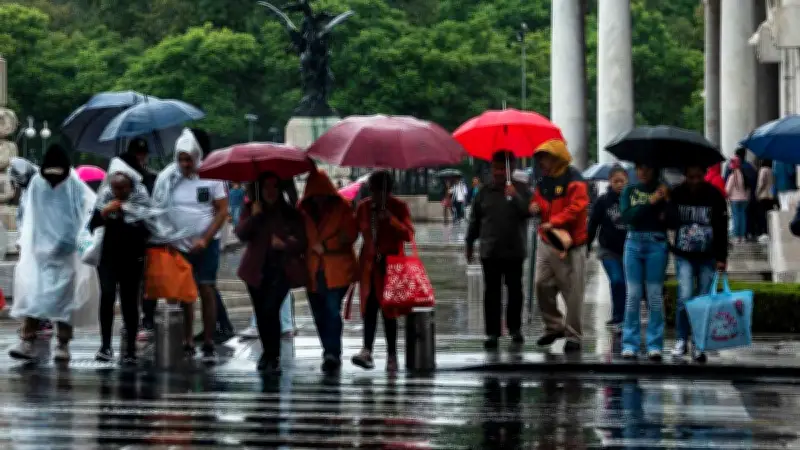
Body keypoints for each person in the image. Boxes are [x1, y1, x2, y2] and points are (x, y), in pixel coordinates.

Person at [9, 144, 94, 362]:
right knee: (35, 296)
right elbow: (29, 214)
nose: (53, 181)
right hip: (40, 251)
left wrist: (82, 241)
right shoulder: (37, 183)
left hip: (66, 253)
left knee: (65, 301)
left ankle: (63, 343)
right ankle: (27, 339)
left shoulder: (74, 184)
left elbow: (88, 211)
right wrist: (25, 241)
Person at [150, 128, 229, 362]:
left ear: (198, 157)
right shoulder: (167, 178)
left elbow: (222, 210)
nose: (185, 164)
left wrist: (205, 239)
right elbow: (158, 210)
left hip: (206, 244)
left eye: (189, 159)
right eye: (181, 159)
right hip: (177, 246)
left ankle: (207, 340)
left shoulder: (211, 176)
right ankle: (185, 340)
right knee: (182, 294)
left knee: (207, 289)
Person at [235, 171, 307, 373]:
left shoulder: (290, 213)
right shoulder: (252, 209)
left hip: (282, 271)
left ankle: (272, 354)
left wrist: (284, 244)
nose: (270, 192)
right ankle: (268, 352)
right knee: (261, 313)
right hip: (256, 271)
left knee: (271, 310)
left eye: (275, 186)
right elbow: (241, 233)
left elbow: (301, 241)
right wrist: (255, 216)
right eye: (266, 187)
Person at [466, 151, 531, 350]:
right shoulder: (484, 192)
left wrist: (516, 196)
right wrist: (469, 244)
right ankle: (492, 332)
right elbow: (475, 221)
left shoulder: (521, 189)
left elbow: (528, 213)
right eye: (496, 168)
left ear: (511, 168)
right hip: (490, 250)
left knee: (515, 292)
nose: (499, 172)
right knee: (491, 293)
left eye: (503, 168)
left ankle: (514, 329)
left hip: (514, 249)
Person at [529, 140, 590, 352]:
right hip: (547, 240)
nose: (541, 163)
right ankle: (554, 325)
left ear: (556, 157)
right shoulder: (542, 181)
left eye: (544, 157)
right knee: (541, 283)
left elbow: (578, 207)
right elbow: (537, 203)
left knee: (572, 292)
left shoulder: (575, 180)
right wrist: (534, 207)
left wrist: (554, 221)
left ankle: (574, 335)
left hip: (573, 243)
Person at [90, 158, 151, 365]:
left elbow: (148, 227)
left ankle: (131, 348)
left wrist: (127, 213)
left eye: (122, 188)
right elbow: (92, 225)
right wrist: (106, 213)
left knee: (129, 301)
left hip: (132, 257)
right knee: (107, 295)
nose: (118, 193)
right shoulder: (105, 199)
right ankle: (105, 344)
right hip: (108, 257)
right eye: (115, 188)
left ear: (130, 187)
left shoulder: (140, 199)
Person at [351, 171, 414, 372]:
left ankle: (392, 356)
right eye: (373, 191)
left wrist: (392, 220)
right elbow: (353, 232)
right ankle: (367, 350)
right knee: (369, 309)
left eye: (380, 191)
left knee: (389, 312)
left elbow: (408, 234)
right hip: (369, 267)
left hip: (390, 266)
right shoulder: (363, 208)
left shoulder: (398, 207)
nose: (376, 195)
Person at [667, 165, 728, 362]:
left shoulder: (714, 195)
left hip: (708, 255)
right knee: (684, 297)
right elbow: (668, 221)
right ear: (685, 176)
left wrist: (722, 257)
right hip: (683, 254)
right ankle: (681, 339)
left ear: (704, 176)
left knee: (703, 300)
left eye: (699, 176)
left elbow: (721, 227)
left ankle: (699, 343)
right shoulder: (676, 193)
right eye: (691, 177)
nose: (695, 181)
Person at [299, 169, 358, 371]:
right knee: (319, 312)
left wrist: (326, 246)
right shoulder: (303, 210)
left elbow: (350, 234)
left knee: (332, 310)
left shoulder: (342, 207)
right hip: (313, 270)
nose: (319, 199)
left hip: (337, 269)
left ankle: (333, 352)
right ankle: (328, 349)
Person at [619, 163, 670, 361]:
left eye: (647, 167)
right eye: (640, 167)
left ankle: (654, 344)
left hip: (656, 244)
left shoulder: (663, 189)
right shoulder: (629, 191)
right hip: (633, 243)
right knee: (633, 295)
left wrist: (664, 199)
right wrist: (650, 202)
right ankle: (630, 343)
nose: (643, 171)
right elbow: (628, 216)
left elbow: (667, 219)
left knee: (654, 295)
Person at [587, 165, 629, 331]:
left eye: (622, 181)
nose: (619, 184)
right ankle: (618, 316)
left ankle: (621, 316)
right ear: (610, 181)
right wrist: (587, 245)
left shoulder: (633, 199)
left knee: (625, 283)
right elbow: (593, 224)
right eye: (615, 181)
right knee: (617, 280)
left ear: (627, 181)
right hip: (608, 249)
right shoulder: (603, 201)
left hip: (628, 249)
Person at [726, 156, 750, 244]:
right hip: (744, 199)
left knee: (735, 217)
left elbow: (727, 190)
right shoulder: (743, 175)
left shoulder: (732, 176)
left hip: (734, 199)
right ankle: (743, 236)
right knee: (743, 217)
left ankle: (736, 236)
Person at [755, 159, 776, 240]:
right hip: (771, 195)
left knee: (763, 214)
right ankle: (770, 231)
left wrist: (757, 192)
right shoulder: (771, 170)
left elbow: (761, 183)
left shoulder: (763, 170)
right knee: (769, 214)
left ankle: (764, 232)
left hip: (763, 195)